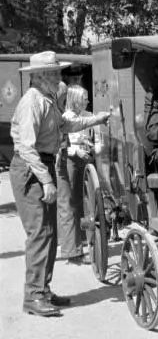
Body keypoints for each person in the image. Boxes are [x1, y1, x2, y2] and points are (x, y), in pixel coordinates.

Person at [9, 51, 109, 317]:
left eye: (58, 72)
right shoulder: (32, 102)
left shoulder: (47, 98)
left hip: (40, 165)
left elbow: (65, 125)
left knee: (50, 233)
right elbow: (26, 148)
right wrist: (46, 180)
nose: (59, 76)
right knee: (40, 234)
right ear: (40, 76)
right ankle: (34, 296)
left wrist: (97, 119)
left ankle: (42, 289)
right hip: (31, 169)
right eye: (54, 73)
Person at [56, 84, 102, 264]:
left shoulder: (86, 115)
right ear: (75, 100)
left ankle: (82, 239)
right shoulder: (67, 118)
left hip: (84, 160)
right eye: (84, 98)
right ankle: (71, 244)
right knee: (72, 202)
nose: (88, 101)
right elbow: (64, 145)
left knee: (84, 200)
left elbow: (90, 135)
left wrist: (92, 146)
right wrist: (76, 151)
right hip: (72, 162)